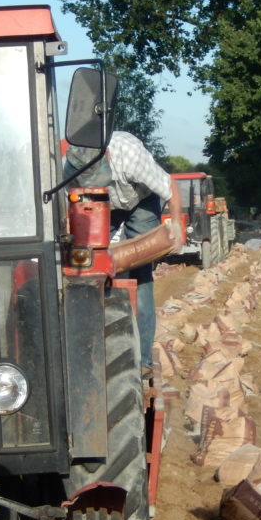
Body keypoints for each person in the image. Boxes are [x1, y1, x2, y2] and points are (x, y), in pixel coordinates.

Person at [65, 131, 183, 370]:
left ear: (106, 155)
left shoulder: (129, 155)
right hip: (99, 203)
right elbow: (66, 212)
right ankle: (91, 349)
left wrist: (178, 224)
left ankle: (143, 361)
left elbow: (169, 186)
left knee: (141, 278)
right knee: (88, 267)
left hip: (140, 201)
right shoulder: (70, 170)